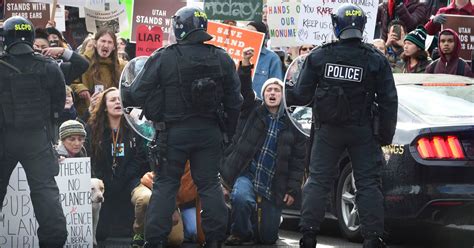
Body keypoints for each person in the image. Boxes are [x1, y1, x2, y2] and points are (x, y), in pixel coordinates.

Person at [124, 6, 243, 248]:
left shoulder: (164, 56)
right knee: (209, 184)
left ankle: (154, 241)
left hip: (173, 133)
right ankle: (216, 240)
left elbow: (135, 94)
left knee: (165, 186)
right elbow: (235, 102)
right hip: (210, 133)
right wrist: (226, 133)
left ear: (179, 28)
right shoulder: (221, 57)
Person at [286, 4, 398, 248]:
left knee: (317, 180)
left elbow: (301, 95)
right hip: (363, 130)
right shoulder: (375, 59)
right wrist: (385, 136)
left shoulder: (319, 55)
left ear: (336, 25)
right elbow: (389, 100)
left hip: (328, 131)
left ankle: (308, 235)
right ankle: (372, 238)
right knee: (368, 183)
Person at [220, 47, 306, 245]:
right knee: (241, 199)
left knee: (267, 239)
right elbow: (244, 90)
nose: (273, 93)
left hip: (274, 182)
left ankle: (257, 227)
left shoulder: (293, 125)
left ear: (283, 95)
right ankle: (240, 233)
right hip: (246, 174)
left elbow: (298, 161)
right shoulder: (252, 111)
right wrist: (245, 65)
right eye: (269, 90)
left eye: (277, 90)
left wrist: (292, 190)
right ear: (264, 94)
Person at [0, 16, 67, 248]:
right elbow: (60, 104)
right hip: (38, 139)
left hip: (3, 139)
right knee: (45, 195)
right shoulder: (48, 66)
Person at [85, 87, 148, 242]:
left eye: (120, 99)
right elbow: (90, 158)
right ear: (104, 107)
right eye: (112, 100)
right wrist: (105, 179)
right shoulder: (93, 129)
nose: (117, 102)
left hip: (130, 181)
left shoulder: (135, 128)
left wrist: (123, 177)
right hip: (103, 184)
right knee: (100, 234)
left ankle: (140, 234)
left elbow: (140, 158)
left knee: (145, 197)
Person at [131, 161, 199, 247]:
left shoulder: (196, 159)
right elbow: (149, 179)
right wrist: (172, 207)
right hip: (158, 191)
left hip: (181, 202)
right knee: (145, 199)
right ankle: (140, 234)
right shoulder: (167, 155)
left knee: (182, 237)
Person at [71, 29, 126, 117]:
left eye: (110, 42)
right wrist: (80, 88)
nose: (106, 45)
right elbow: (69, 83)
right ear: (95, 44)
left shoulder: (122, 66)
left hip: (111, 116)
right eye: (103, 41)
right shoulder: (82, 61)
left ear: (114, 47)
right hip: (87, 114)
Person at [246, 21, 283, 99]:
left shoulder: (272, 58)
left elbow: (276, 85)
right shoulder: (239, 55)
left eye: (251, 32)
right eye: (246, 32)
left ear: (262, 36)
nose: (247, 35)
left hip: (260, 106)